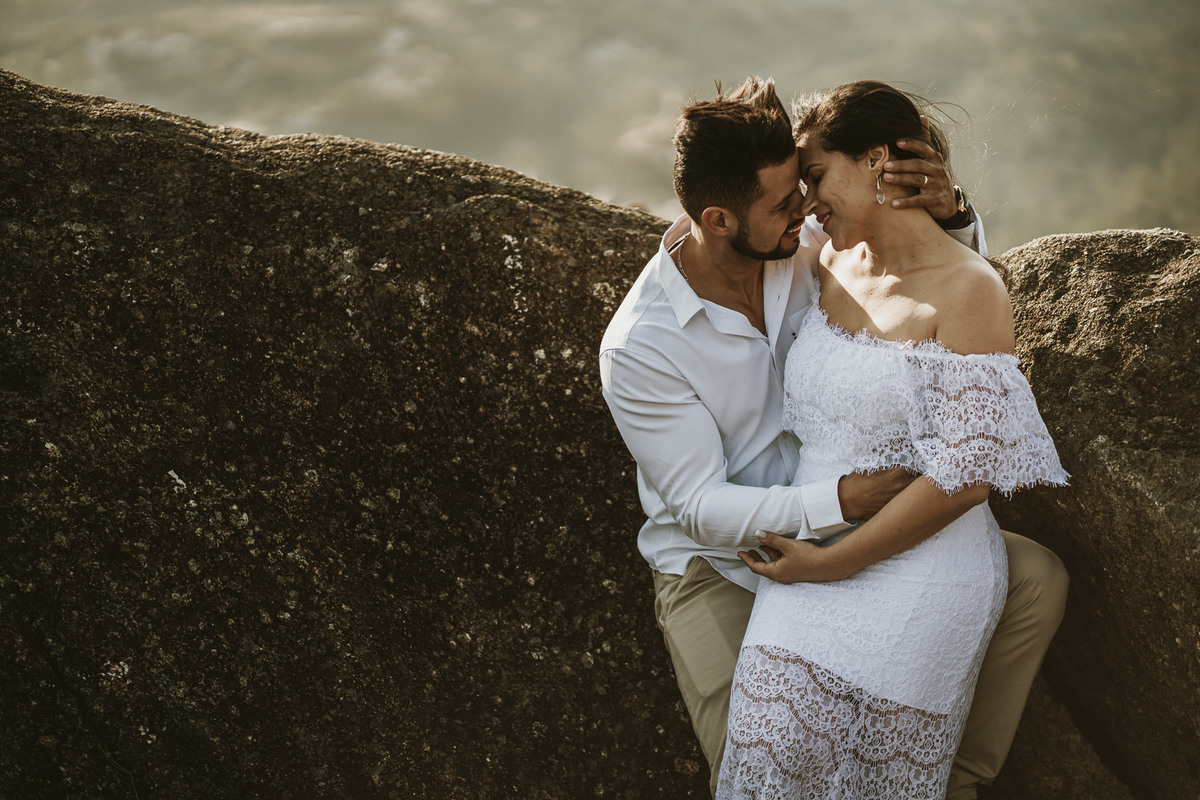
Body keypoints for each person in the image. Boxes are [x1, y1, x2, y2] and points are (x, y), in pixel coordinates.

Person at [598, 76, 1068, 799]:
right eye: (785, 202)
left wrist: (948, 212)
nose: (804, 208)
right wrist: (841, 502)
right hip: (727, 556)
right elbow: (698, 508)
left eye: (805, 185)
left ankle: (948, 778)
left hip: (865, 519)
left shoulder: (806, 242)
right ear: (719, 220)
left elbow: (920, 279)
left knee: (1037, 577)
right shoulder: (643, 346)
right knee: (758, 765)